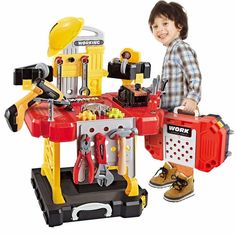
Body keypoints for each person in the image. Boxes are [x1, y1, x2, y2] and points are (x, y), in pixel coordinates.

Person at [148, 1, 202, 202]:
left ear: (179, 25)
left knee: (184, 145)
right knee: (170, 141)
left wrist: (192, 98)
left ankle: (186, 179)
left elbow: (195, 75)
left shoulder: (180, 48)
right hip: (169, 109)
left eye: (165, 23)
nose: (160, 29)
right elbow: (170, 81)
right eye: (155, 26)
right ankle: (172, 168)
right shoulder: (170, 49)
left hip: (182, 110)